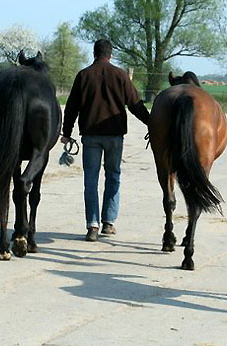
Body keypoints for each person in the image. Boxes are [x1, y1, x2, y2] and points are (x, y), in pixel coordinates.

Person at [61, 39, 150, 242]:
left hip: (91, 135)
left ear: (94, 53)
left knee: (90, 180)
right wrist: (151, 123)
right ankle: (108, 223)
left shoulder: (83, 75)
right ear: (111, 54)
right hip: (114, 136)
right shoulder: (121, 75)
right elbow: (135, 105)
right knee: (113, 176)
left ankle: (92, 225)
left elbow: (71, 108)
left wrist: (66, 133)